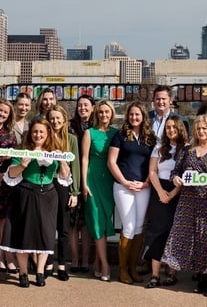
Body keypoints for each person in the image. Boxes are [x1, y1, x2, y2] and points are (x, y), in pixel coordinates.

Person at [162, 115, 207, 297]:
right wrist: (176, 178)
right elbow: (176, 172)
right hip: (189, 201)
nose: (201, 132)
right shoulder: (187, 151)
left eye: (204, 128)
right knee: (193, 239)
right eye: (198, 129)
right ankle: (200, 276)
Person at [2, 118, 71, 288]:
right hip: (26, 194)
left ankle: (40, 272)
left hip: (48, 196)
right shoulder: (23, 150)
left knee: (45, 234)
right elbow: (11, 174)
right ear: (30, 133)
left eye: (41, 132)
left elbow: (64, 176)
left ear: (47, 134)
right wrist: (22, 166)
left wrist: (62, 161)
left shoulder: (54, 152)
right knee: (24, 235)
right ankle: (23, 273)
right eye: (35, 131)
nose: (38, 134)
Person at [108, 102, 157, 284]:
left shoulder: (150, 138)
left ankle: (132, 267)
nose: (134, 117)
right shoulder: (120, 135)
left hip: (143, 187)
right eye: (131, 114)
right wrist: (124, 182)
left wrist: (145, 183)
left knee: (138, 227)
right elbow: (112, 162)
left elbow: (154, 164)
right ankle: (122, 270)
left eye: (137, 114)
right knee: (128, 227)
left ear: (143, 116)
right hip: (123, 186)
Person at [143, 114, 188, 288]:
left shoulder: (186, 148)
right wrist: (161, 192)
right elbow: (152, 171)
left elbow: (187, 174)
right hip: (159, 191)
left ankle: (171, 272)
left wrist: (174, 192)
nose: (170, 130)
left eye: (173, 127)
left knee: (174, 232)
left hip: (178, 192)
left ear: (180, 129)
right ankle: (155, 275)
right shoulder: (159, 147)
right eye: (168, 127)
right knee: (157, 232)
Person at [81, 100, 118, 282]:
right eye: (101, 112)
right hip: (92, 180)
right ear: (97, 113)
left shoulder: (116, 133)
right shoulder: (89, 133)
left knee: (103, 223)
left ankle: (97, 261)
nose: (104, 115)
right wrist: (83, 184)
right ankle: (105, 265)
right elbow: (84, 159)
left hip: (109, 182)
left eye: (107, 112)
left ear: (111, 113)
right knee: (96, 222)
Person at [46, 105, 80, 281]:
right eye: (52, 118)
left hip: (64, 185)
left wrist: (75, 192)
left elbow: (76, 166)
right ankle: (48, 263)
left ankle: (61, 265)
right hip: (47, 184)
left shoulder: (72, 139)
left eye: (58, 118)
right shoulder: (45, 137)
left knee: (64, 228)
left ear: (64, 119)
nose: (55, 121)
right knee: (49, 227)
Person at [0, 99, 19, 280]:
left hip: (3, 185)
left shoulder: (10, 135)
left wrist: (2, 174)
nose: (1, 114)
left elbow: (12, 160)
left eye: (5, 113)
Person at [68, 94, 95, 273]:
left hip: (92, 179)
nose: (82, 108)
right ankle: (74, 259)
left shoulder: (97, 127)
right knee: (71, 223)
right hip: (72, 177)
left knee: (86, 223)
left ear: (93, 107)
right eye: (80, 105)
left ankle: (85, 259)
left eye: (86, 105)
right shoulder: (70, 127)